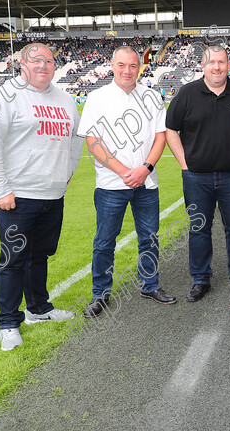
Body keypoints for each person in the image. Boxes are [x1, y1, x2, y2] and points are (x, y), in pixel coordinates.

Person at [0, 43, 83, 351]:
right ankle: (9, 323)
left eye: (49, 61)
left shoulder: (65, 99)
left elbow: (76, 141)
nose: (43, 65)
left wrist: (66, 173)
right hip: (18, 195)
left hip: (53, 194)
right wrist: (0, 189)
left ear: (55, 65)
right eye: (36, 60)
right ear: (21, 64)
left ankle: (38, 308)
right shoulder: (4, 96)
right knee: (12, 260)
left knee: (40, 255)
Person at [79, 46, 176, 318]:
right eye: (122, 65)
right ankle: (100, 293)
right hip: (111, 184)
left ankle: (150, 284)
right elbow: (93, 141)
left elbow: (161, 136)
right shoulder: (97, 97)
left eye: (133, 66)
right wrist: (123, 171)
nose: (127, 71)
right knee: (104, 242)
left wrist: (145, 168)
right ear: (112, 66)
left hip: (146, 182)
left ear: (139, 67)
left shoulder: (152, 97)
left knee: (149, 238)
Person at [165, 45, 230, 303]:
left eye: (222, 62)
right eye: (212, 62)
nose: (217, 67)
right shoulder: (187, 93)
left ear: (229, 64)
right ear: (203, 65)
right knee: (199, 229)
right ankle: (201, 278)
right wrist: (184, 163)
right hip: (196, 178)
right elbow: (170, 129)